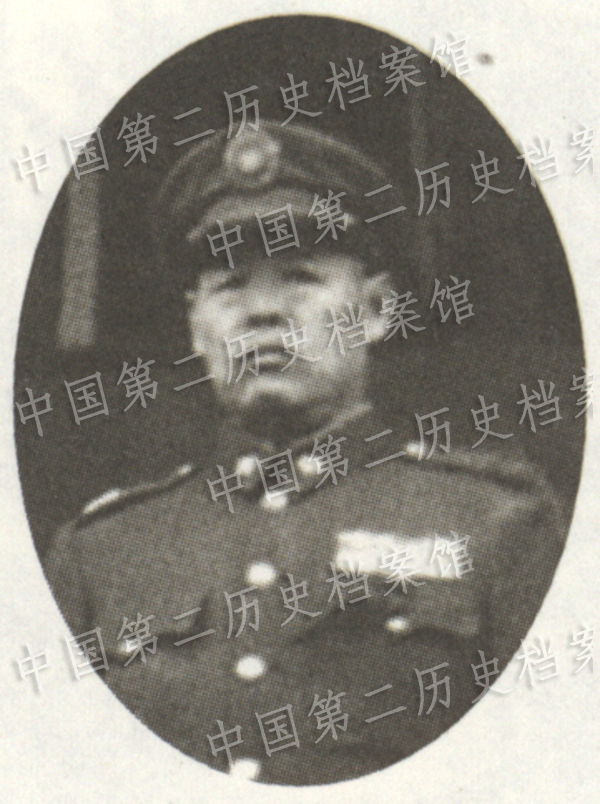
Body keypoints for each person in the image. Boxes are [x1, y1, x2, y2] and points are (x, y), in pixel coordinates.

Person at [45, 121, 567, 786]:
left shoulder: (494, 523)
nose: (261, 312)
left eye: (299, 277)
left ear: (375, 310)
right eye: (230, 285)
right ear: (196, 328)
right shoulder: (100, 554)